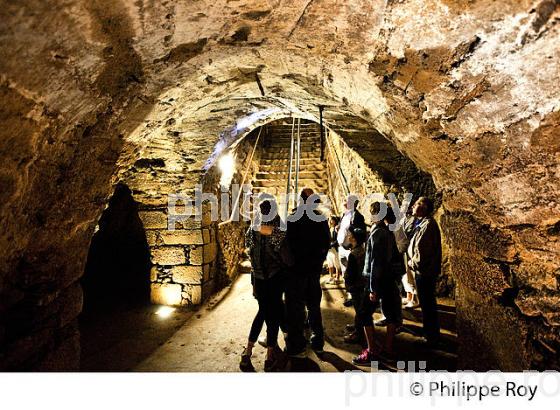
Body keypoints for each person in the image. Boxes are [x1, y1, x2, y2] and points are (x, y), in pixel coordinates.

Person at [353, 202, 403, 365]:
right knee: (390, 313)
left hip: (377, 280)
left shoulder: (377, 234)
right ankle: (388, 349)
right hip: (388, 279)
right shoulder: (387, 231)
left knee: (363, 313)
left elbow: (376, 262)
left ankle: (372, 350)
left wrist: (373, 288)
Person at [241, 198, 288, 371]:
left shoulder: (253, 228)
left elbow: (249, 251)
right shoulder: (278, 229)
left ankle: (247, 352)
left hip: (259, 278)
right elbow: (285, 256)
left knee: (262, 312)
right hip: (274, 278)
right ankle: (269, 357)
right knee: (273, 314)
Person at [285, 188, 330, 355]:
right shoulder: (320, 219)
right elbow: (326, 243)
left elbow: (286, 244)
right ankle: (317, 340)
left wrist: (291, 264)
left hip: (297, 271)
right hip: (312, 270)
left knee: (296, 308)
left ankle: (297, 343)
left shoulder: (292, 218)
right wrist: (318, 262)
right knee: (313, 306)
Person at [407, 196, 442, 347]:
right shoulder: (423, 223)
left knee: (428, 304)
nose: (413, 206)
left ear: (424, 207)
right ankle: (429, 331)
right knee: (426, 303)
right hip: (424, 271)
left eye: (417, 204)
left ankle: (431, 336)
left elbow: (422, 254)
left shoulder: (428, 225)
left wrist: (410, 262)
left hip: (425, 272)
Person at [342, 226, 367, 345]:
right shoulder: (362, 249)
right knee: (359, 308)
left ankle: (359, 333)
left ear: (353, 238)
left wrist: (348, 284)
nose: (348, 236)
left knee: (359, 308)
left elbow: (351, 273)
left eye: (350, 235)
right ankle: (358, 327)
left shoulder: (354, 254)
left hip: (356, 285)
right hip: (361, 284)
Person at [337, 194, 366, 275]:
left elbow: (361, 232)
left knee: (352, 273)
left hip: (350, 249)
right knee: (344, 274)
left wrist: (354, 245)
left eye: (346, 200)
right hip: (342, 247)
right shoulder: (344, 215)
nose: (344, 202)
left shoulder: (357, 216)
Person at [326, 215, 342, 285]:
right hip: (329, 249)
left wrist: (331, 244)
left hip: (335, 248)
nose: (330, 221)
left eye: (331, 220)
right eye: (329, 220)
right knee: (330, 264)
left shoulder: (336, 229)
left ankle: (337, 278)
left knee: (336, 263)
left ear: (335, 221)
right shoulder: (329, 229)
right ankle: (331, 276)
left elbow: (338, 239)